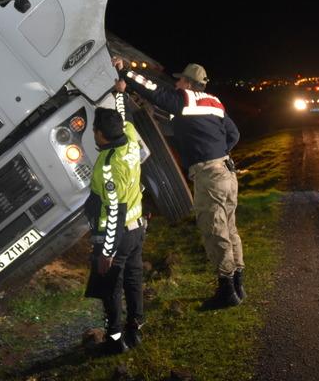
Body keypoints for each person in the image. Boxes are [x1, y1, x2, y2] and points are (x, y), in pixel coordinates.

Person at [112, 58, 244, 309]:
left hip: (210, 175)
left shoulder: (185, 100)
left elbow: (153, 91)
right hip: (227, 171)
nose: (176, 83)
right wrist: (217, 152)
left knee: (214, 230)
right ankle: (238, 284)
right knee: (230, 228)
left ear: (188, 83)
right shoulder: (214, 103)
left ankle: (226, 289)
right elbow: (234, 134)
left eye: (180, 79)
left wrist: (124, 72)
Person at [83, 103, 146, 354]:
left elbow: (115, 214)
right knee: (133, 280)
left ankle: (115, 340)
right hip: (137, 230)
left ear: (100, 134)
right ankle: (135, 329)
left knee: (110, 289)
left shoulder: (108, 167)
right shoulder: (130, 137)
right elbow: (127, 117)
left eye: (94, 131)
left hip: (118, 237)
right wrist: (119, 94)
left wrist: (107, 252)